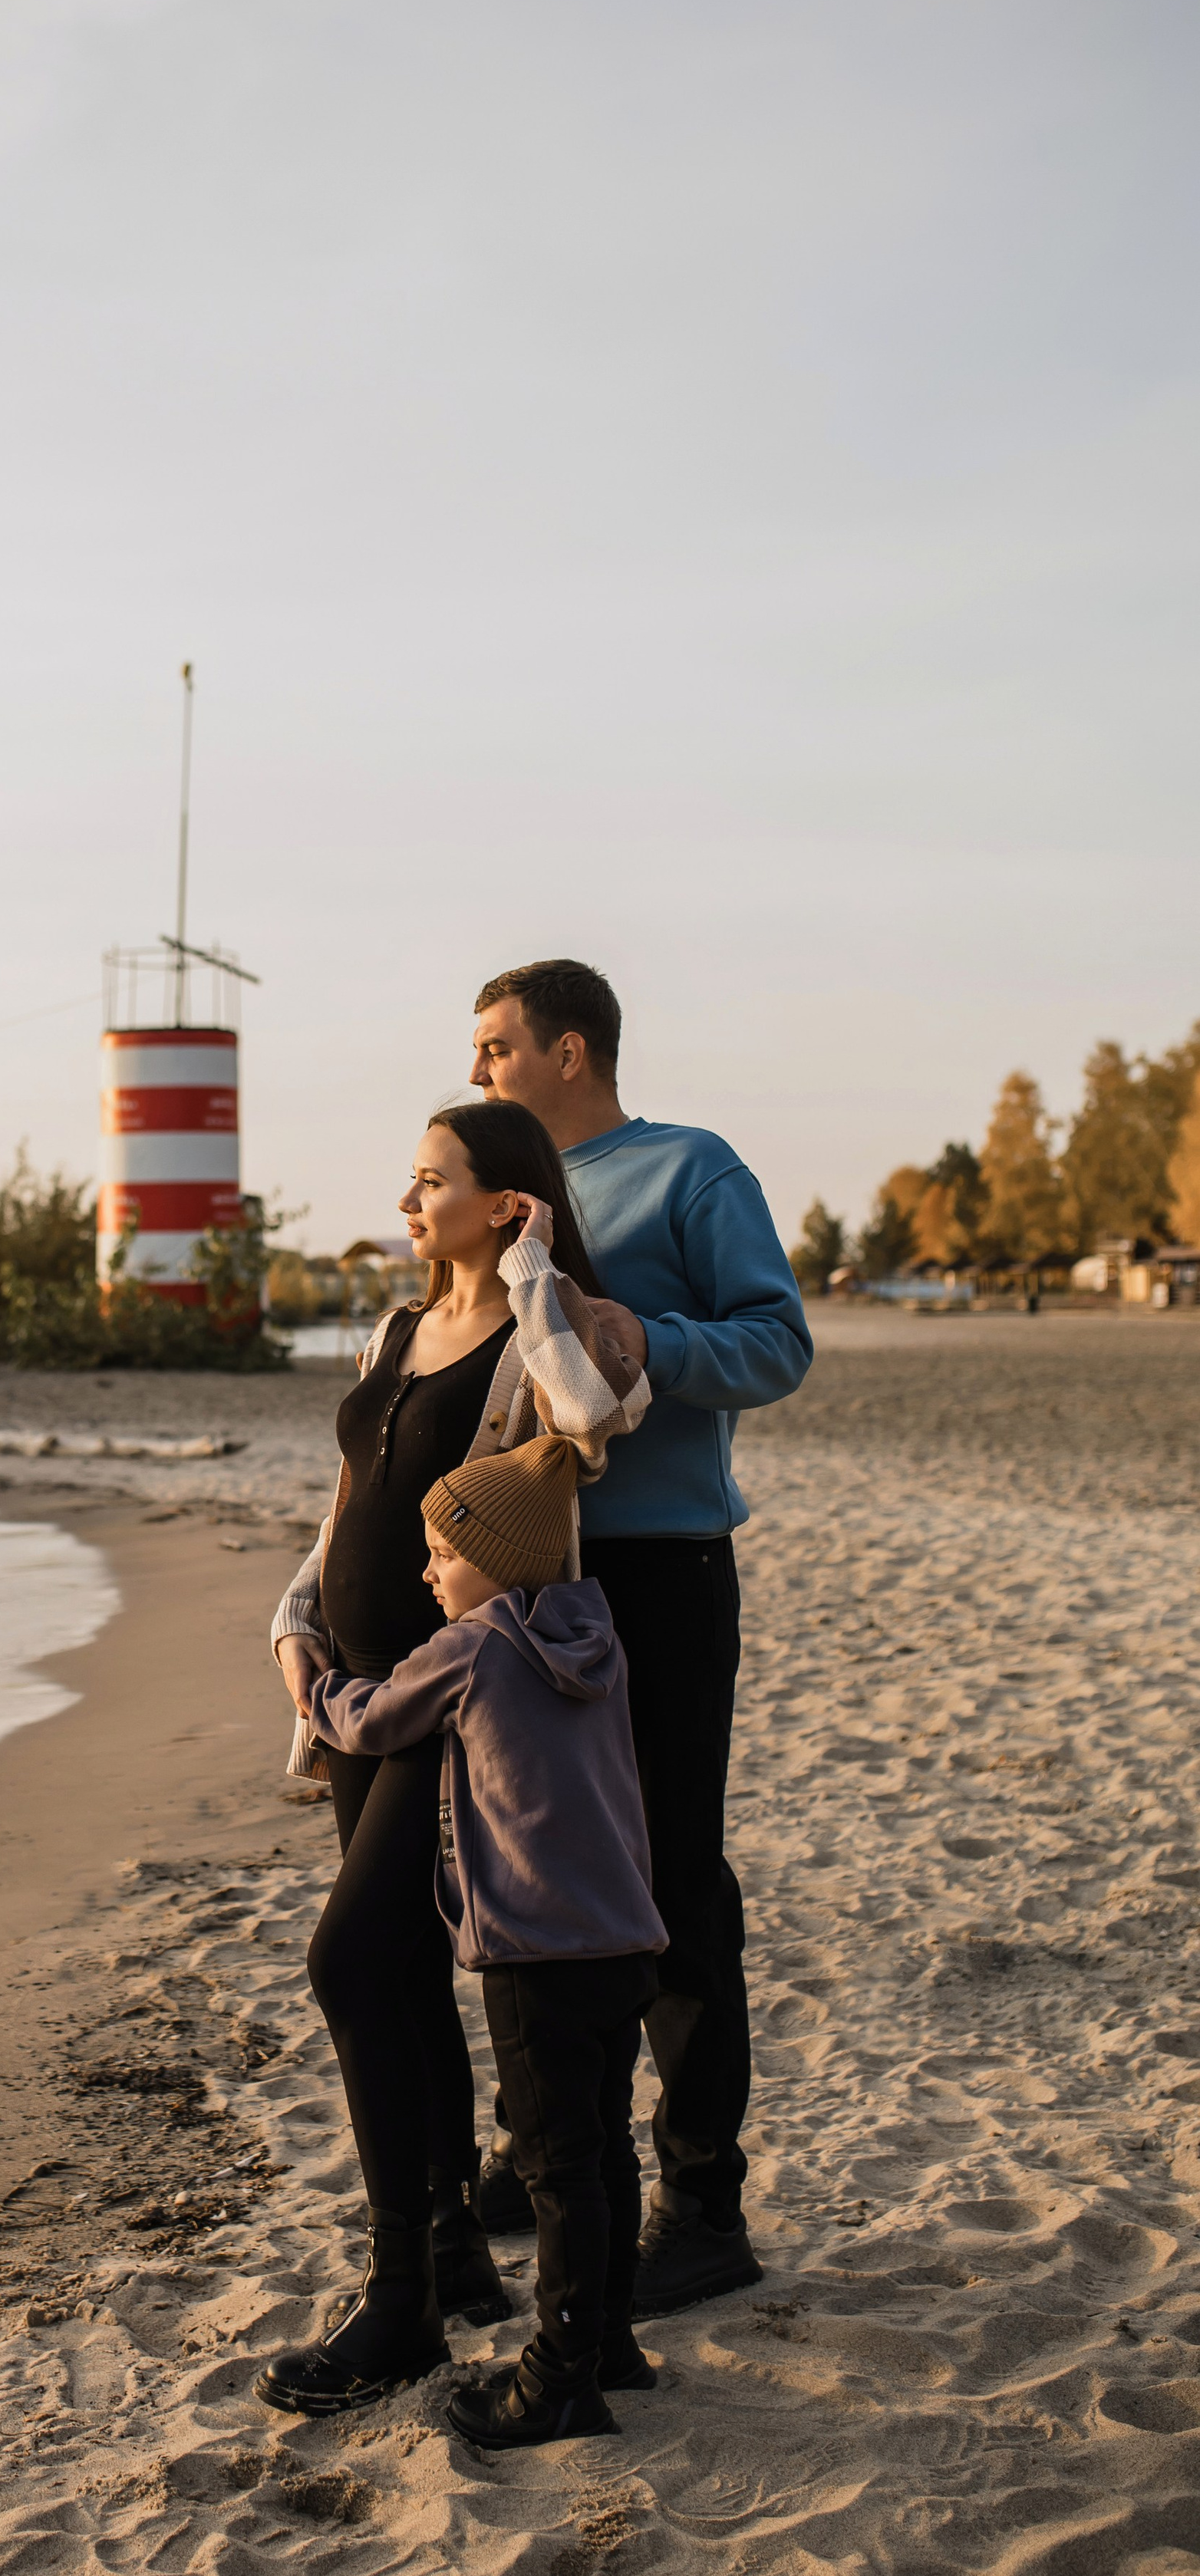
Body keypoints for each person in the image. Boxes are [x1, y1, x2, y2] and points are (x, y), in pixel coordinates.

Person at [262, 1099, 647, 2414]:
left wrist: (534, 1271)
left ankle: (400, 2302)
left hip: (453, 1701)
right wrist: (297, 1619)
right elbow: (353, 1502)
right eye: (412, 1178)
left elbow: (589, 1425)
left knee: (349, 1960)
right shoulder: (393, 1330)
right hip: (356, 1688)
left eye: (432, 1181)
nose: (408, 1201)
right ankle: (443, 2253)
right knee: (401, 1976)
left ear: (507, 1200)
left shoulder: (560, 1332)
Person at [469, 958, 812, 2317]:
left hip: (662, 1572)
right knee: (540, 1877)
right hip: (526, 1581)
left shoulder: (688, 1169)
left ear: (570, 1051)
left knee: (672, 1883)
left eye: (498, 1046)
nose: (480, 1069)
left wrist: (644, 1342)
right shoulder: (502, 1191)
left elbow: (778, 1345)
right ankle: (545, 2150)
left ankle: (704, 2203)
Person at [260, 1442, 665, 2444]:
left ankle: (560, 2379)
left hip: (534, 1945)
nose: (427, 1571)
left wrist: (315, 1687)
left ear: (498, 1559)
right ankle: (610, 2343)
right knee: (604, 2147)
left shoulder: (475, 1648)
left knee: (554, 2169)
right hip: (623, 1937)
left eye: (444, 1552)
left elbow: (376, 1719)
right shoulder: (596, 1636)